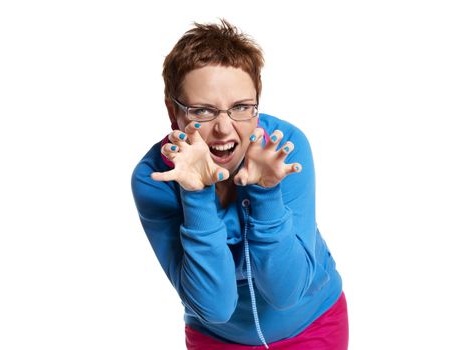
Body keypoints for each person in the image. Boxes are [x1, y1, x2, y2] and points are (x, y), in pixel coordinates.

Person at [131, 19, 348, 350]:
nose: (223, 128)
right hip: (218, 338)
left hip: (312, 324)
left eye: (240, 108)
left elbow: (286, 293)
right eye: (202, 111)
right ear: (173, 111)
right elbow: (214, 308)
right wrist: (197, 194)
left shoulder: (285, 147)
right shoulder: (156, 180)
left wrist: (266, 193)